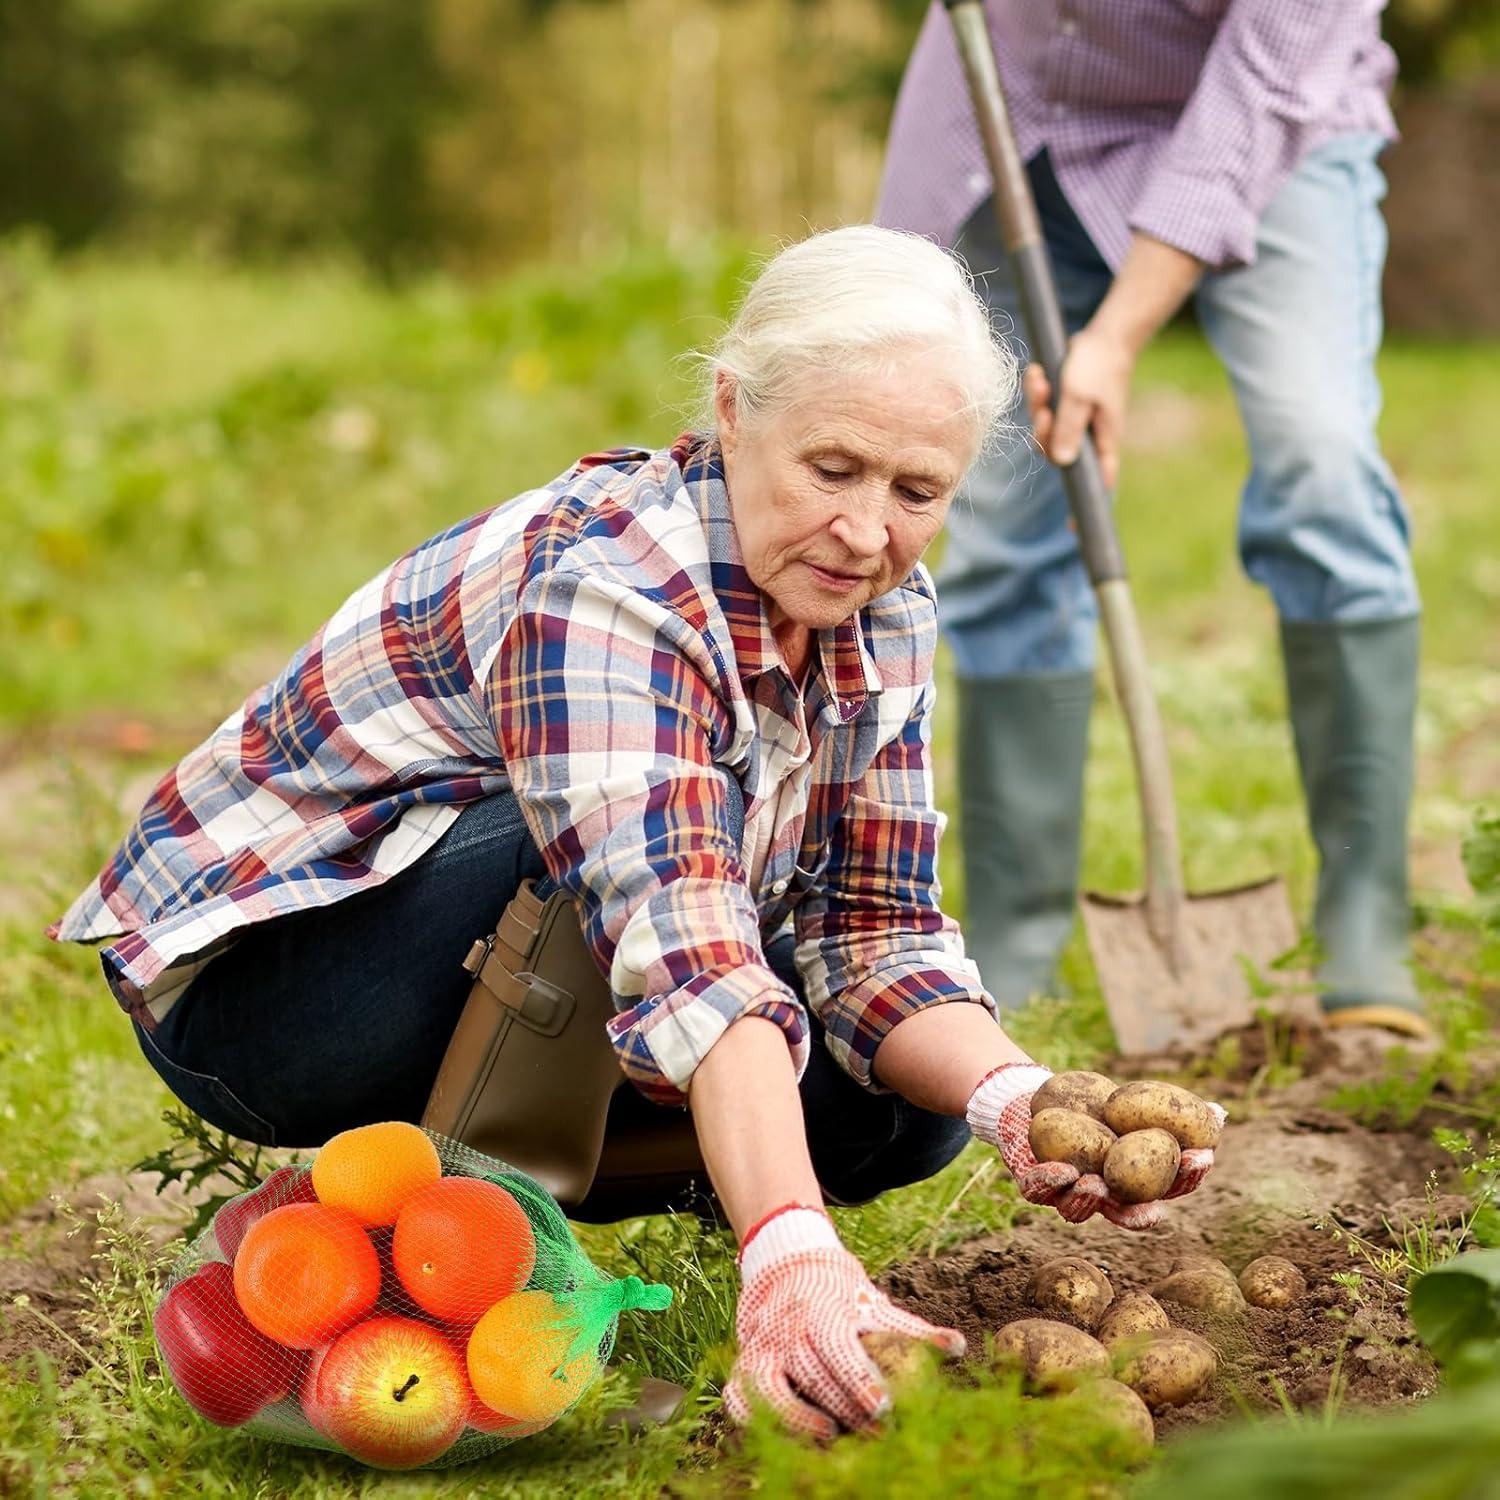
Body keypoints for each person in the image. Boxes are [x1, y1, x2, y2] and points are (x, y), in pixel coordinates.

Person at [51, 226, 1218, 1439]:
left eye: (916, 492)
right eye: (833, 468)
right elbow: (686, 935)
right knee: (578, 866)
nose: (869, 532)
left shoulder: (883, 606)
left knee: (911, 1112)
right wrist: (789, 1247)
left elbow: (873, 927)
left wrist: (1020, 1099)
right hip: (266, 992)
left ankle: (498, 1209)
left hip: (522, 955)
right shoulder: (610, 583)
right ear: (731, 410)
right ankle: (464, 1207)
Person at [879, 2, 1426, 1035]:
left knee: (1322, 465)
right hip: (1017, 113)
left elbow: (1261, 83)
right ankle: (1013, 951)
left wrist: (1119, 334)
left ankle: (1366, 932)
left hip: (1277, 127)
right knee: (1002, 506)